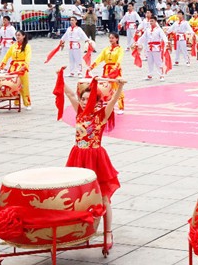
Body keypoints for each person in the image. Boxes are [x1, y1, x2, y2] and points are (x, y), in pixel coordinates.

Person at [62, 74, 126, 248]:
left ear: (97, 102)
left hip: (96, 158)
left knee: (104, 197)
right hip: (78, 156)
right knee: (76, 196)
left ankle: (108, 232)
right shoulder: (80, 112)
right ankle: (76, 230)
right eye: (83, 98)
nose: (84, 102)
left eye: (88, 99)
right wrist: (59, 77)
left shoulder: (101, 116)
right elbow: (69, 94)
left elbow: (112, 101)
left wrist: (119, 87)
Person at [89, 32, 126, 115]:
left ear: (117, 39)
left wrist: (115, 69)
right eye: (110, 38)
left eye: (113, 38)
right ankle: (106, 104)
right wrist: (91, 66)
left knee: (117, 88)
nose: (111, 40)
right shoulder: (106, 49)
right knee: (106, 88)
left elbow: (119, 60)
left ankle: (121, 107)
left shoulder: (120, 49)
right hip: (106, 71)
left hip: (116, 71)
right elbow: (99, 58)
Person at [0, 30, 32, 110]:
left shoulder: (27, 46)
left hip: (22, 68)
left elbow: (28, 57)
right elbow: (7, 56)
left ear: (23, 36)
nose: (17, 37)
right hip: (13, 68)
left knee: (24, 86)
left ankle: (27, 103)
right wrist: (2, 65)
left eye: (19, 35)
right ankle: (16, 102)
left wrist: (25, 65)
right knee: (14, 86)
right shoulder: (13, 46)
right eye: (16, 35)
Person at [137, 16, 167, 80]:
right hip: (149, 48)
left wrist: (166, 43)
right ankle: (150, 75)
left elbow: (164, 37)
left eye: (152, 21)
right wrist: (138, 43)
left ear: (155, 21)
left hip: (156, 48)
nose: (151, 22)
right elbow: (143, 37)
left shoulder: (159, 29)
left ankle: (161, 75)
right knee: (149, 62)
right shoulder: (148, 29)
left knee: (158, 62)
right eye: (150, 21)